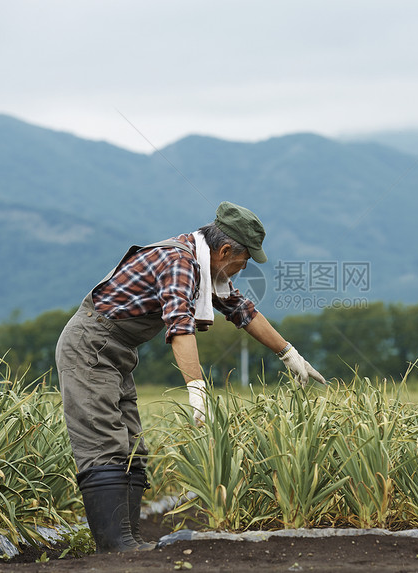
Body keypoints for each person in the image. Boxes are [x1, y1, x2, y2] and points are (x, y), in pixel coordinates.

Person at [55, 201, 326, 553]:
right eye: (243, 262)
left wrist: (289, 354)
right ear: (225, 250)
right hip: (90, 347)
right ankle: (116, 545)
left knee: (132, 445)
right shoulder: (180, 262)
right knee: (104, 443)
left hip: (117, 352)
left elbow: (241, 310)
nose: (241, 271)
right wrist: (196, 387)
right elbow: (180, 326)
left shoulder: (204, 265)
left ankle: (129, 539)